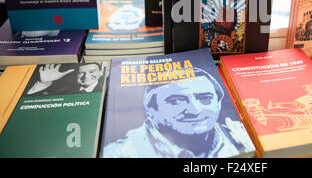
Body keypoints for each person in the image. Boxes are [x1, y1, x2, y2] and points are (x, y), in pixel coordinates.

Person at [102, 68, 254, 158]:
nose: (196, 110)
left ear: (218, 103)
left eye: (205, 98)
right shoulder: (121, 153)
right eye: (176, 101)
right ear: (150, 109)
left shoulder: (243, 139)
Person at [25, 63, 105, 96]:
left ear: (101, 72)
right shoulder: (62, 89)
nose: (86, 76)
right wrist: (43, 83)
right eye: (81, 72)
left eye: (92, 71)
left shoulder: (106, 89)